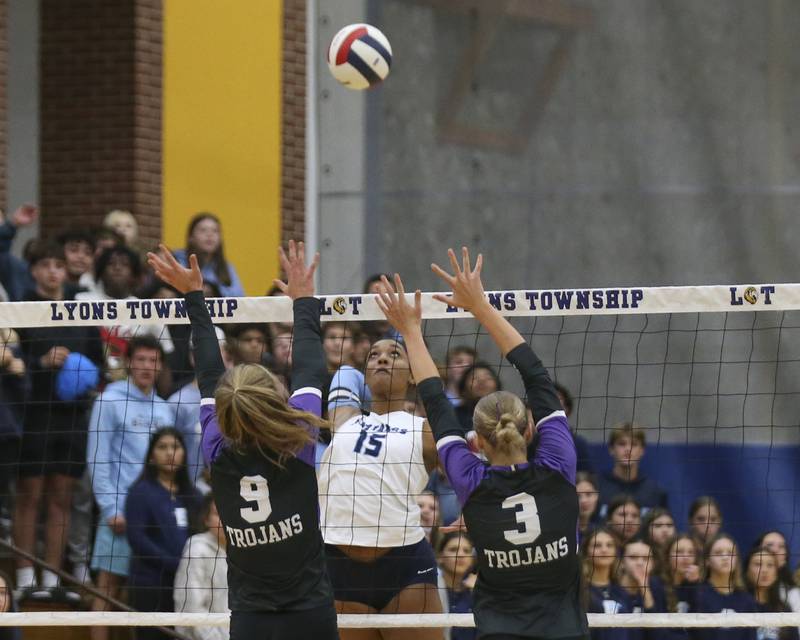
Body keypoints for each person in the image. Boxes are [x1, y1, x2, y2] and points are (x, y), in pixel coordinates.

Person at [375, 247, 589, 640]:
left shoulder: (471, 480)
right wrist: (481, 306)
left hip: (499, 632)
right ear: (529, 430)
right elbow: (537, 378)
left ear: (479, 443)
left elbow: (434, 400)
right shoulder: (558, 464)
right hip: (565, 632)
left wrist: (409, 332)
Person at [147, 240, 338, 639]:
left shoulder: (217, 447)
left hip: (251, 615)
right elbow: (308, 365)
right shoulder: (297, 438)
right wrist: (304, 301)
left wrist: (192, 297)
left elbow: (210, 372)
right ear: (274, 396)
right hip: (310, 609)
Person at [319, 313, 441, 637]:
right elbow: (344, 372)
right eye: (374, 355)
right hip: (338, 566)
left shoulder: (426, 432)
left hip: (403, 568)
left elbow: (438, 397)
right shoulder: (344, 420)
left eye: (394, 354)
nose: (382, 358)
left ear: (414, 376)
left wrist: (412, 337)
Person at [14, 240, 103, 599]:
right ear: (34, 270)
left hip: (72, 417)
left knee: (61, 499)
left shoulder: (79, 311)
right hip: (34, 416)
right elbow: (11, 364)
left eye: (58, 265)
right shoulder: (20, 309)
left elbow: (97, 364)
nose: (54, 272)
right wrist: (40, 363)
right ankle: (23, 580)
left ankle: (51, 580)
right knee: (29, 496)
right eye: (46, 265)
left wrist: (79, 372)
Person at [87, 335, 176, 640]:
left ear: (160, 365)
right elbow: (97, 459)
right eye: (140, 360)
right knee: (108, 590)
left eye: (153, 361)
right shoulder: (109, 400)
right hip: (120, 512)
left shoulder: (165, 409)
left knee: (144, 592)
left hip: (155, 515)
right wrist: (110, 508)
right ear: (128, 363)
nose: (146, 367)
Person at [126, 428, 202, 640]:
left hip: (189, 583)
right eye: (162, 447)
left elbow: (201, 537)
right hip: (151, 583)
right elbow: (137, 539)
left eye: (175, 447)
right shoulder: (140, 492)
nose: (170, 453)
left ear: (184, 453)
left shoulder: (194, 495)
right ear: (151, 455)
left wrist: (189, 567)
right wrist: (175, 563)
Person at [174, 494, 230, 640]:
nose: (225, 520)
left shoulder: (247, 551)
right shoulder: (196, 549)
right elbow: (192, 607)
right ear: (206, 519)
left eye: (231, 513)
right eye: (218, 514)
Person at [690, 533, 758, 640]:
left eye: (730, 553)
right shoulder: (697, 595)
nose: (725, 557)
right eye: (718, 553)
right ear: (707, 561)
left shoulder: (747, 600)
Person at [597, 423, 668, 520]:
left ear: (642, 450)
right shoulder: (596, 487)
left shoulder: (655, 492)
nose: (628, 449)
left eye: (634, 444)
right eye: (622, 444)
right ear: (611, 449)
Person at [172, 213, 244, 297]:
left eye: (215, 231)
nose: (210, 235)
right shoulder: (177, 260)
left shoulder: (227, 268)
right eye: (203, 230)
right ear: (191, 237)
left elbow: (239, 299)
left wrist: (213, 292)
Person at [581, 528, 627, 640]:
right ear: (587, 552)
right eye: (597, 546)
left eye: (609, 545)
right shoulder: (580, 591)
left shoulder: (622, 591)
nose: (604, 550)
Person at [744, 547, 799, 640]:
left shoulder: (784, 609)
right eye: (758, 564)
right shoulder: (738, 605)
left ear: (776, 573)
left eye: (770, 565)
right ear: (747, 570)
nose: (764, 570)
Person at [436, 532, 476, 640]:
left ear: (472, 560)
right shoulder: (431, 590)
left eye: (466, 551)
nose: (461, 555)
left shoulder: (478, 590)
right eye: (453, 549)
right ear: (440, 557)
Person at [754, 531, 800, 617]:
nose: (775, 550)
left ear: (785, 556)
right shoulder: (742, 591)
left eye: (781, 546)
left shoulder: (793, 594)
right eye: (769, 545)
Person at [453, 362, 501, 431]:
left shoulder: (509, 415)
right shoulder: (453, 416)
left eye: (488, 377)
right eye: (474, 378)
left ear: (497, 387)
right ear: (463, 390)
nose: (482, 380)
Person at [665, 534, 702, 613]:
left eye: (691, 552)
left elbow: (700, 618)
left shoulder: (701, 585)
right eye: (679, 552)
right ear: (667, 556)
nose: (686, 556)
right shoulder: (656, 585)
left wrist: (695, 584)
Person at [576, 472, 601, 540]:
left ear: (597, 496)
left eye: (588, 494)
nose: (583, 500)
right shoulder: (562, 532)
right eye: (577, 496)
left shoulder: (600, 532)